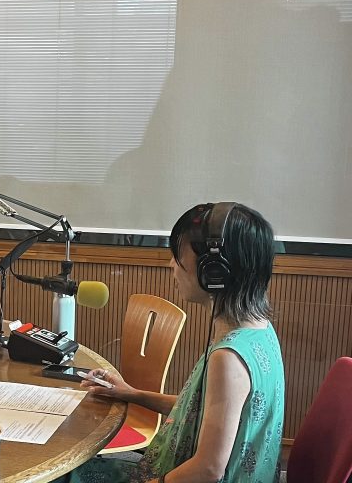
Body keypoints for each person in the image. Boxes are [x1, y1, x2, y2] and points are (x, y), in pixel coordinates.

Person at [60, 202, 284, 483]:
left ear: (214, 271)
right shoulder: (261, 330)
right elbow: (200, 411)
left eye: (178, 257)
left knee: (63, 474)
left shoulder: (229, 358)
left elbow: (208, 470)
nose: (172, 266)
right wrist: (132, 393)